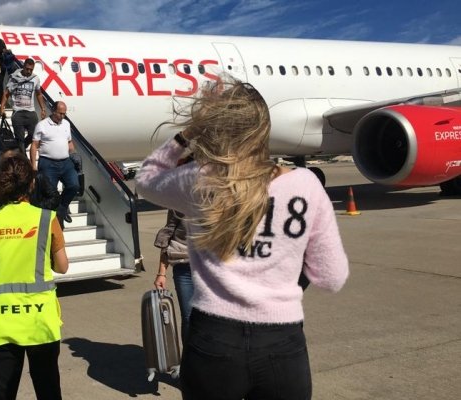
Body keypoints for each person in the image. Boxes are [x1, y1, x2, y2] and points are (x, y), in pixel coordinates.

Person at [135, 78, 349, 399]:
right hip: (282, 342)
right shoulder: (305, 184)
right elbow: (332, 279)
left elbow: (146, 178)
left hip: (213, 339)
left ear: (214, 130)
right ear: (264, 129)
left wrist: (187, 134)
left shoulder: (199, 180)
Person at [0, 153, 68, 400]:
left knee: (3, 393)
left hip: (3, 322)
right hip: (41, 321)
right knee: (48, 391)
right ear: (32, 184)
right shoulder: (47, 219)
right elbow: (62, 266)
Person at [30, 101, 81, 226]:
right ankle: (55, 221)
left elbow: (69, 142)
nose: (62, 116)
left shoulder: (66, 124)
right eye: (60, 113)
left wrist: (73, 153)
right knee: (49, 193)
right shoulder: (42, 125)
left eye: (64, 114)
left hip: (65, 162)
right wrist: (33, 165)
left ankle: (62, 208)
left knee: (74, 185)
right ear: (53, 111)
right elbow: (34, 145)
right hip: (48, 163)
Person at [153, 207, 193, 346]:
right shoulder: (179, 200)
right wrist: (161, 273)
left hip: (211, 269)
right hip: (184, 267)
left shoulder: (223, 198)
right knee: (188, 316)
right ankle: (189, 360)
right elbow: (168, 235)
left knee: (211, 317)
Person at [0, 58, 47, 151]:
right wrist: (2, 107)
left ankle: (20, 149)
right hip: (18, 112)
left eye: (31, 70)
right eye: (27, 69)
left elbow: (39, 94)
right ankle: (24, 158)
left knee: (34, 135)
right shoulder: (14, 78)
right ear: (23, 67)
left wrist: (43, 109)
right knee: (20, 138)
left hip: (31, 112)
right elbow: (6, 93)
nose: (29, 71)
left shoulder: (35, 78)